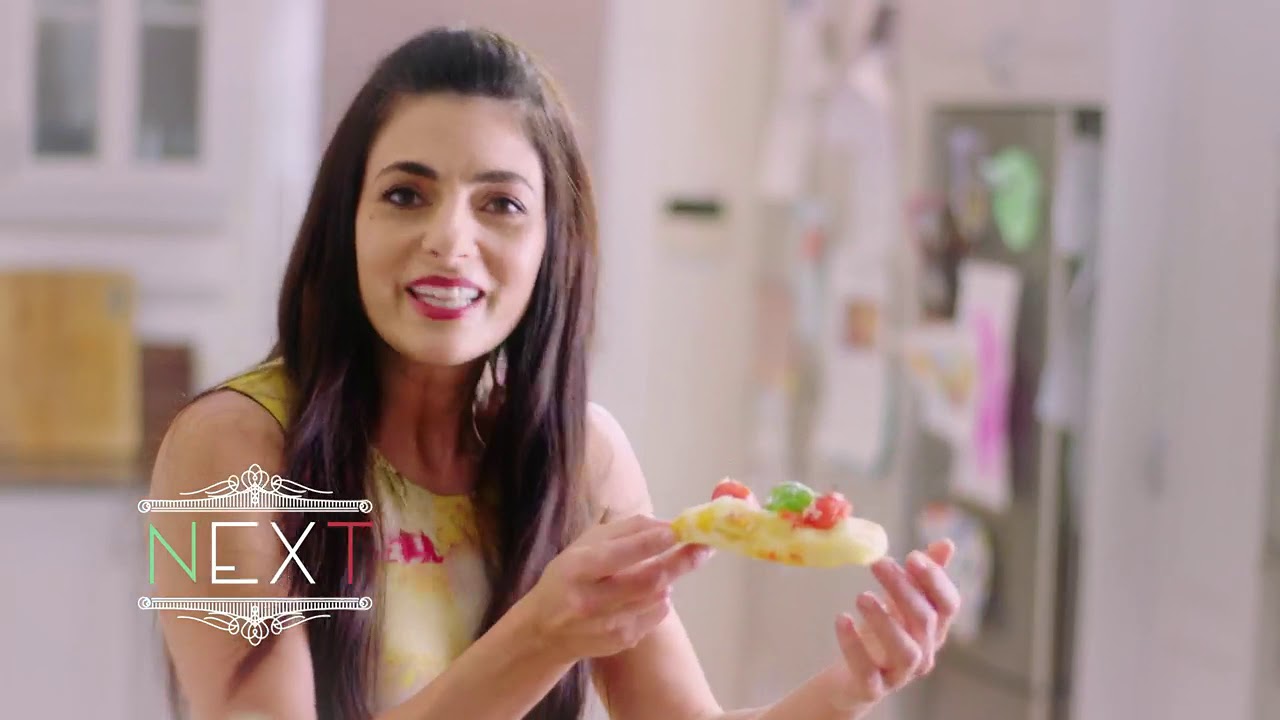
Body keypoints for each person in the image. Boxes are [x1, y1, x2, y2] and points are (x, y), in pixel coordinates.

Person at [149, 26, 961, 720]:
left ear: (551, 246)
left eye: (500, 204)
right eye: (405, 195)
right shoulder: (222, 453)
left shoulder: (583, 460)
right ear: (346, 223)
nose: (449, 241)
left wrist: (850, 687)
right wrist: (543, 634)